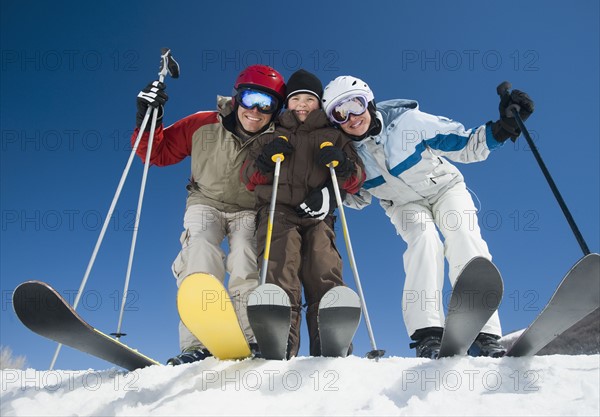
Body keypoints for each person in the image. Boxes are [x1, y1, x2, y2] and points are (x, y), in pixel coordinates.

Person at [318, 75, 534, 358]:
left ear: (368, 102)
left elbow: (465, 144)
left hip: (445, 189)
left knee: (464, 238)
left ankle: (485, 332)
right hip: (403, 205)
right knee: (424, 241)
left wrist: (504, 128)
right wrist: (332, 190)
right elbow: (360, 199)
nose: (351, 118)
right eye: (339, 113)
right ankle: (428, 333)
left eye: (355, 105)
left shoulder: (409, 123)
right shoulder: (350, 154)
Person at [132, 65, 286, 365]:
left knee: (244, 254)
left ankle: (251, 336)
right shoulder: (204, 124)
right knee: (200, 247)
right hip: (206, 202)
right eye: (251, 98)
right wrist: (149, 118)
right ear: (237, 97)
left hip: (247, 209)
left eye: (266, 103)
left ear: (275, 109)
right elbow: (156, 153)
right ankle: (197, 342)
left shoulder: (278, 138)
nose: (255, 110)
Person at [241, 69, 365, 358]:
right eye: (296, 99)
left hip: (318, 214)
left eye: (309, 99)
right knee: (280, 269)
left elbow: (356, 179)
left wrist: (343, 168)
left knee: (324, 268)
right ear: (287, 103)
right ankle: (281, 340)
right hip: (279, 211)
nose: (302, 105)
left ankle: (330, 340)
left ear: (318, 103)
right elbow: (247, 178)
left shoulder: (334, 136)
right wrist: (265, 159)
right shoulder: (273, 133)